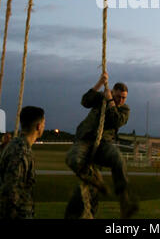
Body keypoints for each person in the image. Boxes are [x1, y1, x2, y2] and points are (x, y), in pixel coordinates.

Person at [65, 72, 138, 219]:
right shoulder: (101, 99)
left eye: (124, 97)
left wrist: (111, 100)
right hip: (85, 139)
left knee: (117, 158)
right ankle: (94, 180)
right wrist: (99, 83)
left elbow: (115, 121)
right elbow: (85, 101)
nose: (121, 100)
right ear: (113, 92)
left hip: (103, 143)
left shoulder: (124, 109)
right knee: (73, 159)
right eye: (118, 96)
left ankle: (125, 201)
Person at [0, 106, 45, 219]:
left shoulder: (15, 144)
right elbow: (10, 191)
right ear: (39, 126)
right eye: (43, 123)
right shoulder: (21, 152)